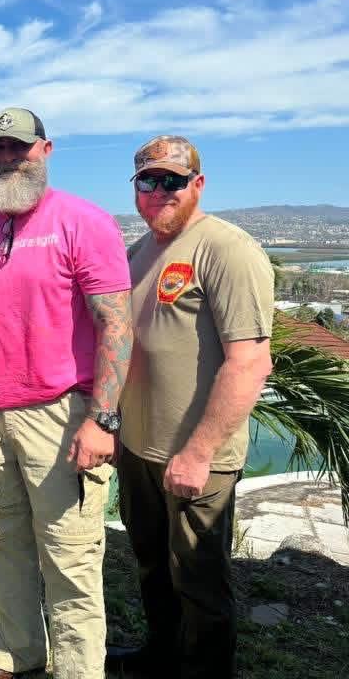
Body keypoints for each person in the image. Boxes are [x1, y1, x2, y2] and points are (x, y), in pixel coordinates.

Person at [0, 108, 133, 679]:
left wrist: (102, 419)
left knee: (70, 555)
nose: (7, 158)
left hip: (59, 412)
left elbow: (117, 324)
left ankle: (78, 670)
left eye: (19, 148)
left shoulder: (85, 221)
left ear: (45, 151)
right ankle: (18, 651)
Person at [110, 136, 274, 679]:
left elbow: (249, 362)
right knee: (153, 567)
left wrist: (199, 450)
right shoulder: (138, 253)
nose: (160, 191)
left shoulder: (226, 249)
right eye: (148, 181)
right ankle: (161, 656)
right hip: (139, 448)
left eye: (173, 181)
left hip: (196, 455)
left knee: (200, 582)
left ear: (196, 185)